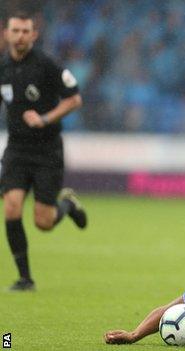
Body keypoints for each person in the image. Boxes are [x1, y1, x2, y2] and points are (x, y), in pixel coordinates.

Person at [1, 12, 87, 291]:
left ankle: (68, 205)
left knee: (44, 222)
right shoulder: (2, 67)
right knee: (11, 207)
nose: (21, 36)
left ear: (33, 35)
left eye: (26, 31)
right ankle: (25, 278)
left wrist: (45, 118)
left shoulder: (47, 64)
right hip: (16, 148)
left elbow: (75, 99)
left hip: (47, 149)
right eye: (16, 31)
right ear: (7, 33)